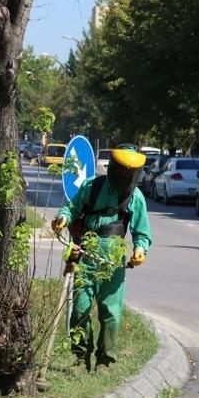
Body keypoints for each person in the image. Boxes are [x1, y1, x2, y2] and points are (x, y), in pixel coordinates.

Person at [51, 145, 152, 372]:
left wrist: (140, 251)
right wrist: (63, 218)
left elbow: (142, 233)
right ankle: (79, 357)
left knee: (110, 313)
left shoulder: (135, 196)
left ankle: (105, 361)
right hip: (85, 253)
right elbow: (72, 207)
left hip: (113, 260)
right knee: (79, 308)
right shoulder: (93, 186)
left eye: (131, 172)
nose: (126, 176)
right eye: (123, 170)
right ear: (114, 167)